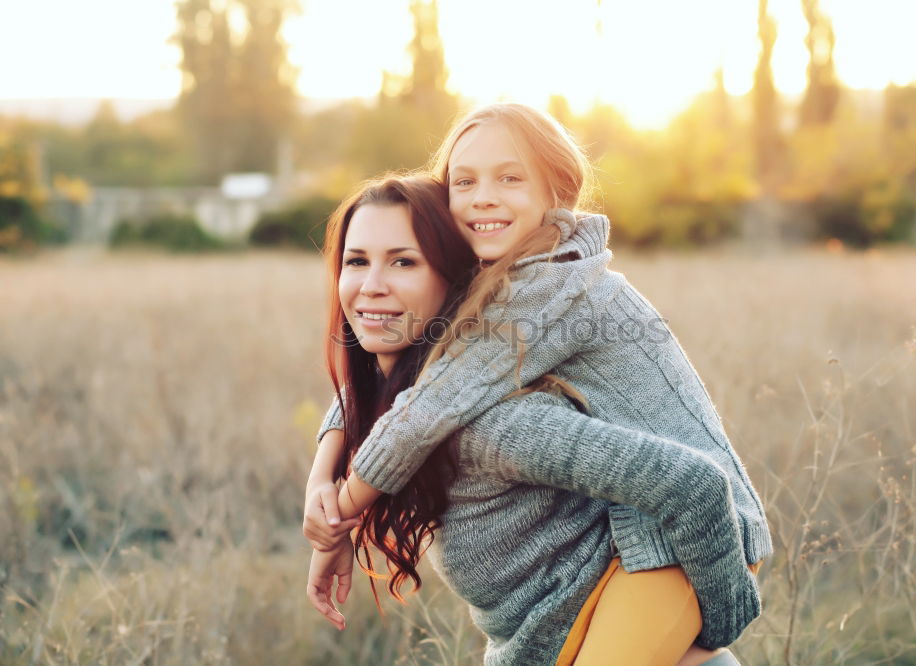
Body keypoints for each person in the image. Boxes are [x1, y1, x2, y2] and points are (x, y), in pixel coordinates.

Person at [307, 105, 772, 662]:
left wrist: (340, 517)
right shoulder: (494, 290)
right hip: (649, 519)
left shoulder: (552, 288)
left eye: (510, 177)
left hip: (686, 528)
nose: (483, 197)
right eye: (464, 182)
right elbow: (399, 386)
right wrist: (323, 471)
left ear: (558, 191)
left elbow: (426, 407)